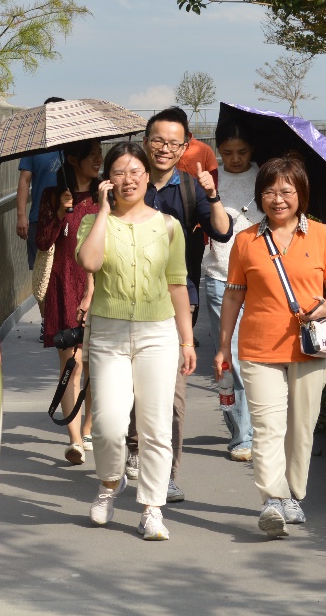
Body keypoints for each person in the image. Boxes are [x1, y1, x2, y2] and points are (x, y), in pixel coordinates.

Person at [214, 156, 326, 538]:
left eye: (286, 191)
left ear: (301, 194)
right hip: (259, 348)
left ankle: (293, 494)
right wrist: (223, 346)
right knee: (267, 426)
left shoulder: (323, 237)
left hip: (309, 348)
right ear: (260, 196)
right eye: (269, 192)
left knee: (302, 427)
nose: (277, 199)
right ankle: (273, 499)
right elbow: (233, 296)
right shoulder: (246, 240)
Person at [76, 142, 197, 541]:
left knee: (156, 425)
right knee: (108, 424)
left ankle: (152, 509)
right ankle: (110, 484)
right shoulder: (92, 222)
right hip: (108, 333)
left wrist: (187, 341)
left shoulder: (169, 226)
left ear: (147, 176)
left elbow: (177, 284)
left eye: (135, 172)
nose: (128, 180)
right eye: (119, 173)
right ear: (107, 180)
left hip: (158, 333)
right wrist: (103, 211)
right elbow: (89, 262)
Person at [124, 107, 231, 501]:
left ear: (186, 147)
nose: (165, 148)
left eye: (174, 142)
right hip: (126, 300)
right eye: (158, 140)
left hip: (177, 301)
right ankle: (134, 447)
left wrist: (212, 194)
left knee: (173, 392)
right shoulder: (126, 182)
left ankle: (166, 473)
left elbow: (222, 232)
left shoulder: (188, 188)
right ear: (145, 141)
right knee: (132, 386)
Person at [35, 138, 100, 464]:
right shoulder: (53, 195)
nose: (98, 160)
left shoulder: (105, 195)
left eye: (100, 154)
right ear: (73, 159)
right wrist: (60, 212)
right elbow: (42, 241)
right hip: (64, 285)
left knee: (95, 366)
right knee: (71, 364)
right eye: (92, 155)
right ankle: (75, 439)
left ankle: (88, 428)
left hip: (99, 287)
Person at [198, 120, 260, 462]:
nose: (235, 159)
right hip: (221, 277)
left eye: (242, 152)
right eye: (227, 152)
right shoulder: (210, 179)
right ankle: (242, 435)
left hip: (262, 281)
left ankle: (257, 427)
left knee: (258, 358)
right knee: (232, 358)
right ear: (218, 150)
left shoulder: (267, 177)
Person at [17, 97, 66, 338]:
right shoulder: (34, 145)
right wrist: (21, 215)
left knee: (66, 271)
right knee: (42, 274)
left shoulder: (74, 145)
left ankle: (67, 320)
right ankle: (48, 322)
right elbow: (24, 180)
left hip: (70, 218)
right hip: (40, 219)